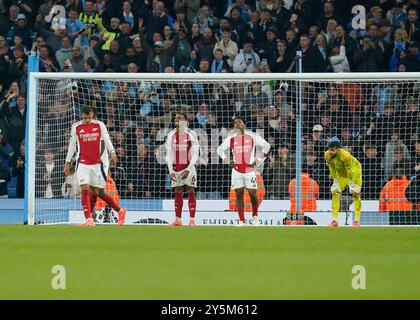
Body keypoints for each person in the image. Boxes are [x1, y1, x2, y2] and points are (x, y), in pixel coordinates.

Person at [64, 106, 125, 227]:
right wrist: (67, 162)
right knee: (85, 189)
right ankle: (89, 219)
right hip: (82, 163)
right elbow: (72, 145)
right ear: (82, 115)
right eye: (85, 117)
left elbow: (107, 139)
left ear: (92, 115)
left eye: (89, 117)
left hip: (97, 164)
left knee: (96, 192)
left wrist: (112, 152)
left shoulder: (99, 125)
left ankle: (120, 211)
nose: (87, 120)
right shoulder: (76, 127)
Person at [217, 117, 270, 226]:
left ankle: (255, 217)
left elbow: (267, 146)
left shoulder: (252, 136)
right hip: (236, 170)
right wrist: (228, 161)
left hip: (249, 170)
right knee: (239, 194)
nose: (237, 124)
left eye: (239, 122)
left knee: (252, 194)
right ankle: (242, 221)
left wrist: (258, 161)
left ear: (244, 125)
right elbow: (220, 150)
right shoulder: (231, 138)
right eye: (235, 123)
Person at [165, 113, 200, 227]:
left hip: (189, 168)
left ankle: (192, 220)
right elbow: (168, 154)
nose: (176, 119)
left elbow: (196, 154)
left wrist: (188, 169)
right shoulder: (171, 135)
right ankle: (178, 220)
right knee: (177, 191)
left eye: (179, 118)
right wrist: (171, 171)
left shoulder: (191, 134)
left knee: (191, 190)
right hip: (176, 168)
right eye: (175, 118)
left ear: (185, 121)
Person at [324, 136, 362, 228]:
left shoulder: (345, 156)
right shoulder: (327, 155)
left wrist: (352, 184)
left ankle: (356, 221)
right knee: (335, 192)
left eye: (332, 149)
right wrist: (335, 179)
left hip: (354, 172)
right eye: (329, 149)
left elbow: (350, 171)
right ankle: (334, 221)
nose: (330, 151)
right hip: (341, 174)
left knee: (355, 193)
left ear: (337, 149)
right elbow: (331, 167)